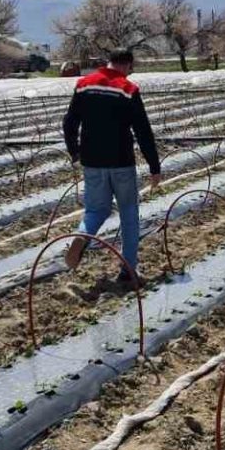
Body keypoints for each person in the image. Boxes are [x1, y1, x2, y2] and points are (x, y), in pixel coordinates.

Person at [62, 49, 163, 283]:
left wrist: (74, 151)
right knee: (128, 212)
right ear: (127, 65)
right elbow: (143, 131)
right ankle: (128, 269)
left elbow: (69, 122)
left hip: (92, 160)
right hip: (121, 161)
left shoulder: (84, 85)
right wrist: (154, 166)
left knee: (96, 210)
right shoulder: (128, 89)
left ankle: (82, 235)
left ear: (109, 62)